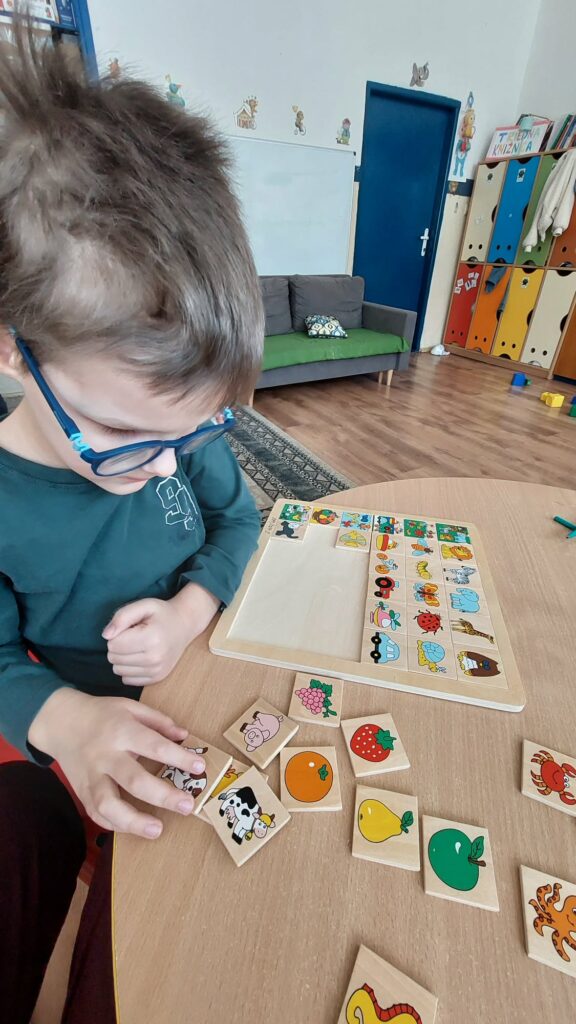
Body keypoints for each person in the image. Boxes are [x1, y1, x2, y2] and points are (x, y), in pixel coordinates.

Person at [0, 20, 263, 1022]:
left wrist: (192, 610)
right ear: (14, 349)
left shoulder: (174, 429)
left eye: (191, 431)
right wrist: (69, 720)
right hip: (78, 739)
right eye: (119, 433)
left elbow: (239, 525)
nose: (164, 464)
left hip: (203, 690)